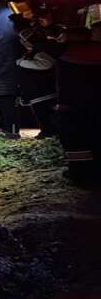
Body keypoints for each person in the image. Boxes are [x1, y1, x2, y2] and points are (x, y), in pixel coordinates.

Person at [55, 25, 101, 185]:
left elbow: (42, 45)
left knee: (76, 143)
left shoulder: (72, 52)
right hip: (91, 105)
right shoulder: (91, 50)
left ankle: (81, 175)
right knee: (92, 140)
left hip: (74, 106)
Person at [18, 27, 66, 138]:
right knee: (42, 113)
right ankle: (47, 131)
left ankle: (49, 132)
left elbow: (47, 64)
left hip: (42, 90)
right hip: (39, 91)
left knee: (44, 113)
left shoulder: (39, 51)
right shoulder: (37, 50)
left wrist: (21, 62)